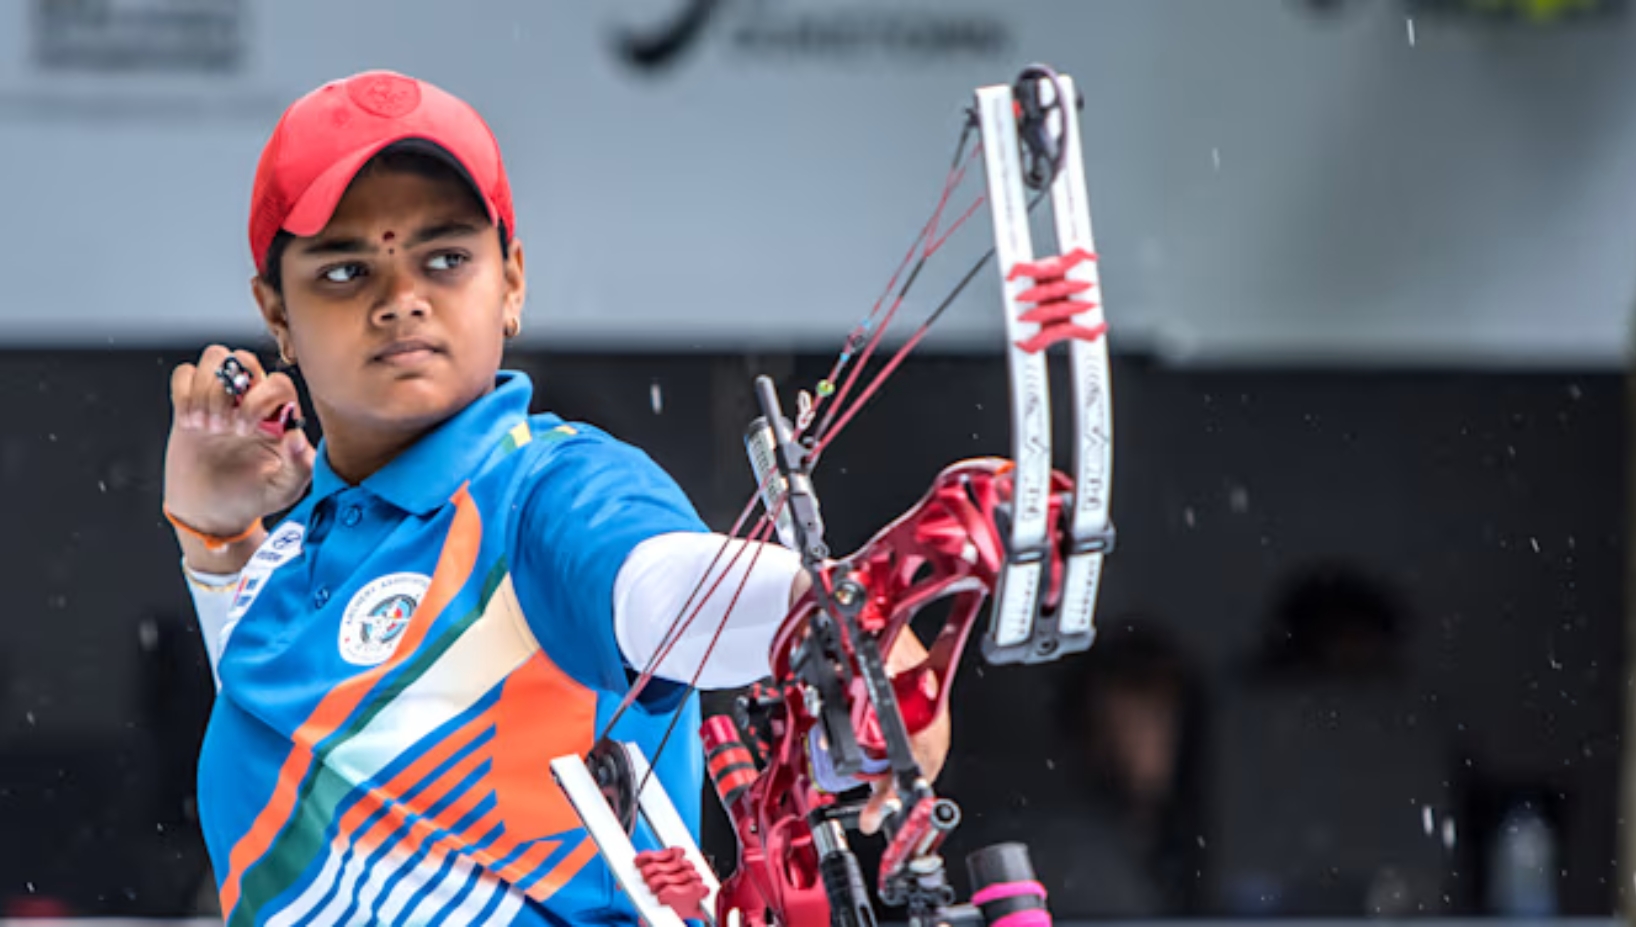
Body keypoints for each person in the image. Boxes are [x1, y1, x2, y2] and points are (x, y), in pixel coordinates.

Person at [163, 70, 948, 926]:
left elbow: (656, 581)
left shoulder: (547, 490)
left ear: (512, 283)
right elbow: (322, 758)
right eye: (347, 270)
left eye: (447, 257)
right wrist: (217, 538)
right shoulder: (285, 564)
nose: (401, 300)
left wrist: (835, 621)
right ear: (274, 312)